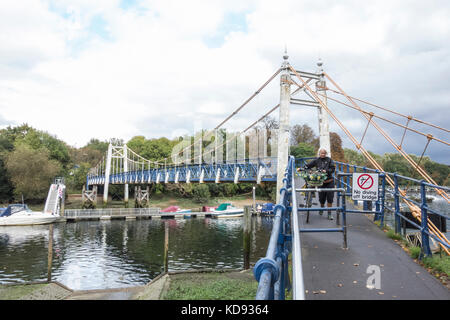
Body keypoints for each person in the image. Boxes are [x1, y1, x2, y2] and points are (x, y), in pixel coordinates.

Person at [305, 148, 336, 220]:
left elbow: (333, 169)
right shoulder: (316, 160)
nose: (323, 154)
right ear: (319, 154)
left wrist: (326, 171)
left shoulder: (329, 160)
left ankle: (329, 214)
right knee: (322, 198)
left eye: (324, 153)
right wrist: (303, 168)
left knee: (330, 198)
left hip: (329, 182)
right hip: (320, 182)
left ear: (326, 154)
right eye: (321, 153)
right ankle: (322, 208)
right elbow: (308, 165)